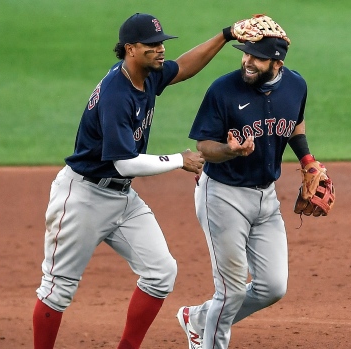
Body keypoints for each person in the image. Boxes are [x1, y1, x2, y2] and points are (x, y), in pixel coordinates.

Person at [32, 13, 248, 349]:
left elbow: (184, 67)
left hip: (121, 198)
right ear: (130, 48)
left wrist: (225, 34)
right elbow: (124, 162)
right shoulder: (116, 93)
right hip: (83, 197)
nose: (160, 50)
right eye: (152, 45)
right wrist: (180, 160)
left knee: (161, 274)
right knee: (57, 290)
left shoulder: (148, 76)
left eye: (161, 43)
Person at [176, 35, 330, 349]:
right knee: (230, 293)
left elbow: (295, 123)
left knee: (272, 287)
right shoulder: (223, 89)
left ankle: (199, 319)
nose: (247, 61)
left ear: (277, 64)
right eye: (246, 54)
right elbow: (204, 146)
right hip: (222, 196)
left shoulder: (296, 86)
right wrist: (229, 150)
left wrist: (307, 160)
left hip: (266, 198)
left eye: (257, 58)